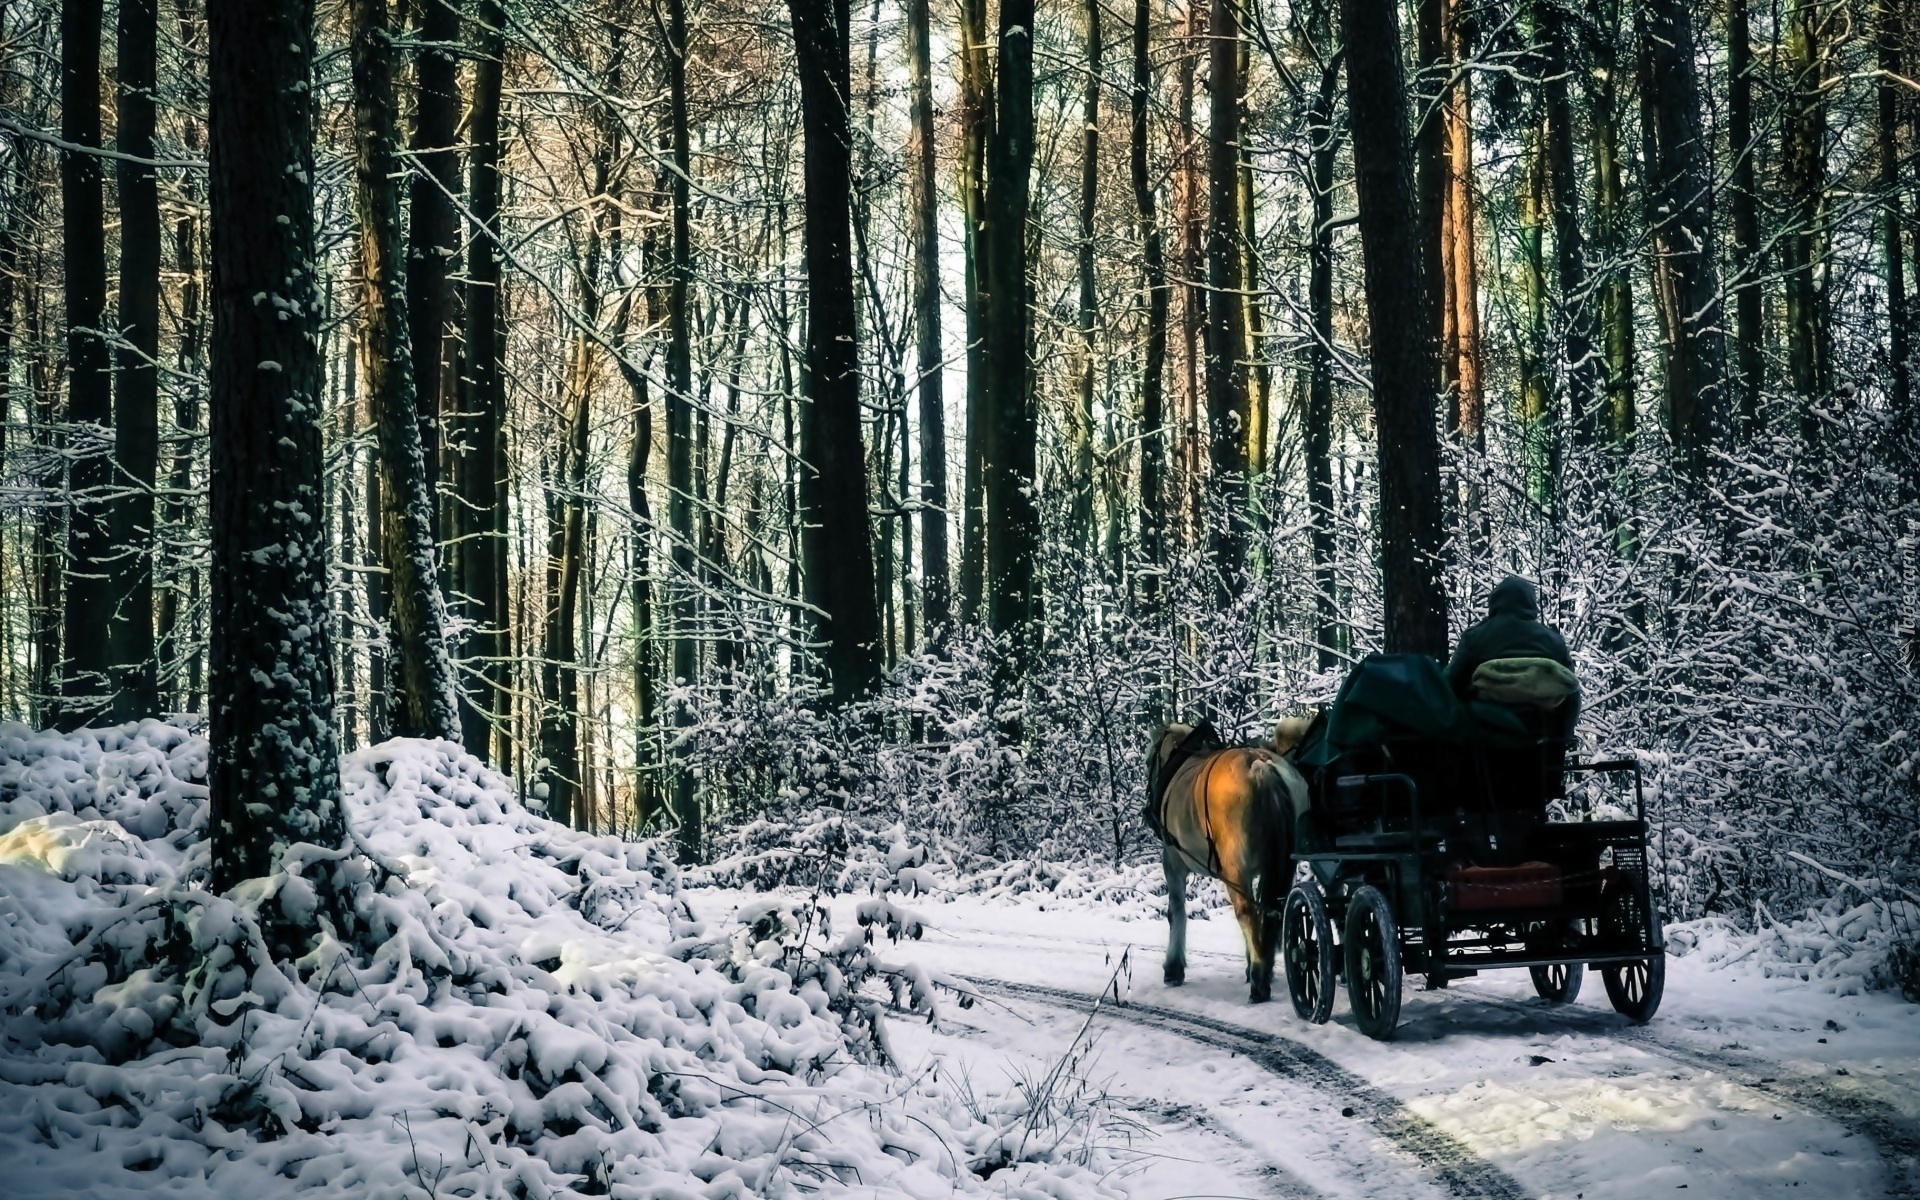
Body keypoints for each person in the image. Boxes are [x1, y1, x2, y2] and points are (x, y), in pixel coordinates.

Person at [1445, 576, 1577, 717]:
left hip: (1483, 730)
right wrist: (1561, 737)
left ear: (1494, 601)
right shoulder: (1555, 642)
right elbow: (1571, 695)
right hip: (1539, 733)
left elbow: (1449, 686)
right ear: (1531, 603)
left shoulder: (1474, 637)